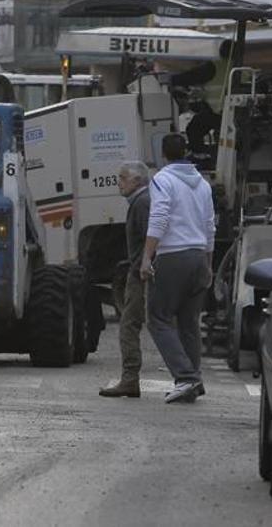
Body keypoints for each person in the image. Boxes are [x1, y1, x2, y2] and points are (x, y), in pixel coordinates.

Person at [140, 133, 215, 405]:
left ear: (164, 154)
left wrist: (147, 257)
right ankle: (194, 378)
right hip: (198, 255)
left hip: (173, 256)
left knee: (158, 318)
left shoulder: (163, 180)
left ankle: (185, 378)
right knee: (188, 323)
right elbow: (209, 225)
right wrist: (208, 264)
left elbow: (159, 218)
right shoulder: (203, 184)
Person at [99, 161, 152, 399]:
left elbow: (153, 236)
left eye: (122, 178)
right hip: (141, 269)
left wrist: (143, 263)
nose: (118, 183)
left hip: (142, 272)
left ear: (137, 181)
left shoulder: (142, 203)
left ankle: (130, 379)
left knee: (129, 325)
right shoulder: (141, 202)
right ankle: (188, 376)